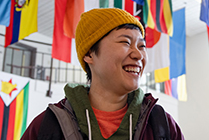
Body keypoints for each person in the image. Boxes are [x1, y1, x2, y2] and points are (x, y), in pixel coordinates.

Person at [21, 8, 184, 140]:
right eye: (125, 42)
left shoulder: (161, 124)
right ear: (89, 54)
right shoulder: (48, 125)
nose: (138, 55)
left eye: (142, 46)